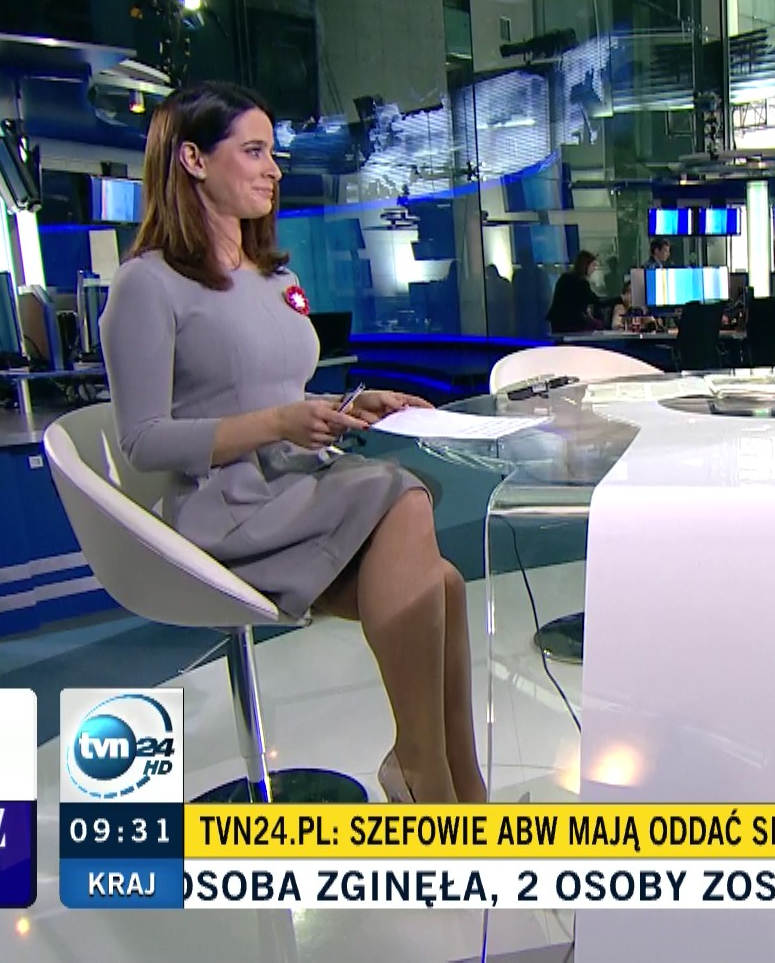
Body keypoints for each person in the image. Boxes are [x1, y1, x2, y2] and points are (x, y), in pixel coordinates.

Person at [101, 81, 486, 802]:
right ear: (192, 159)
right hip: (228, 506)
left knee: (445, 583)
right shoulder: (146, 285)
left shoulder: (272, 274)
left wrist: (347, 405)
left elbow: (273, 392)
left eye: (272, 153)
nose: (274, 169)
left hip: (298, 481)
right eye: (253, 151)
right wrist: (278, 425)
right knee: (401, 493)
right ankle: (420, 769)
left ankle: (462, 787)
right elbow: (143, 442)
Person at [547, 250, 611, 333]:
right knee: (600, 325)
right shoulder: (581, 283)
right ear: (586, 265)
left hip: (557, 322)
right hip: (572, 323)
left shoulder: (564, 278)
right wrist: (618, 299)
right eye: (593, 265)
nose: (594, 269)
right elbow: (596, 301)